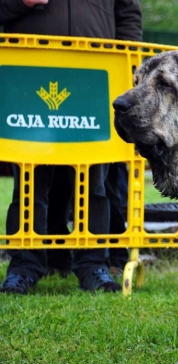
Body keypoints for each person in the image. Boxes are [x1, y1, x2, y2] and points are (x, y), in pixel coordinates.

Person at [0, 0, 142, 294]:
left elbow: (127, 14)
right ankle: (23, 267)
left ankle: (94, 266)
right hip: (29, 76)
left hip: (95, 79)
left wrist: (128, 67)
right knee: (29, 181)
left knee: (95, 182)